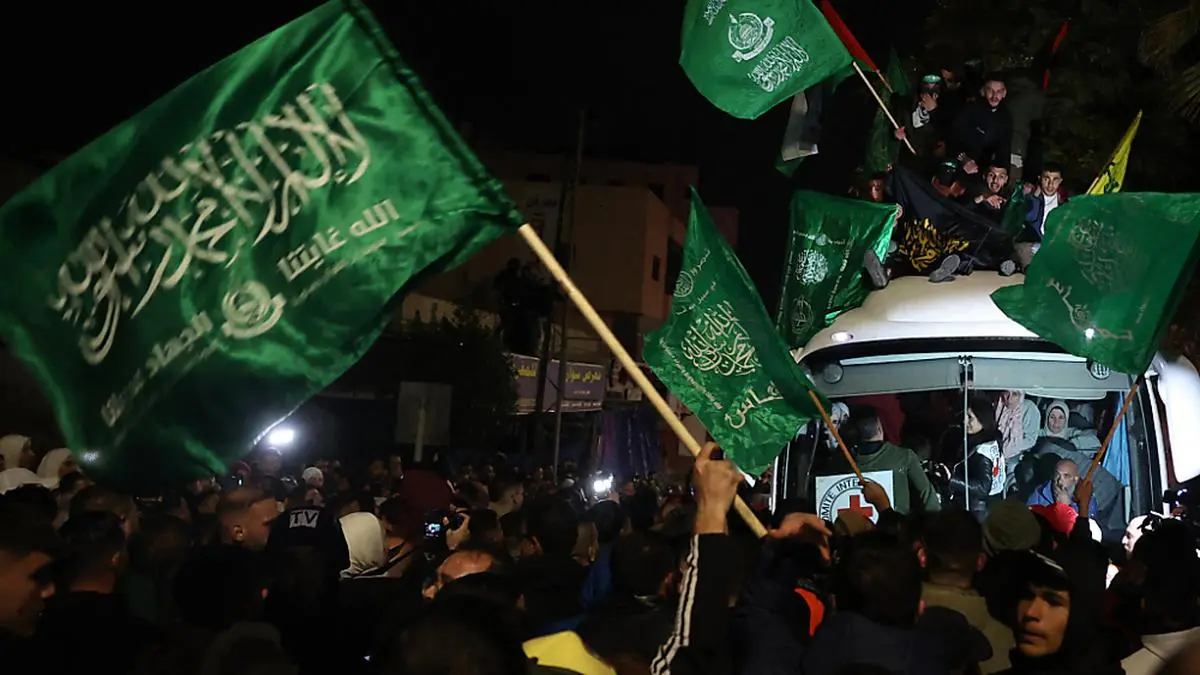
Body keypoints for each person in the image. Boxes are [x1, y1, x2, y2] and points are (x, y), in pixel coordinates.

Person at [821, 406, 941, 514]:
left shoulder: (840, 462)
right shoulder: (904, 457)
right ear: (879, 428)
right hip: (896, 529)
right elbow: (928, 497)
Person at [948, 396, 1006, 520]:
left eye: (970, 417)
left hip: (977, 509)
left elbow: (983, 487)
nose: (964, 420)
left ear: (982, 421)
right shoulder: (992, 440)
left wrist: (951, 479)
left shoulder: (983, 451)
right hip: (993, 503)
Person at [1026, 460, 1099, 519]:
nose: (1060, 481)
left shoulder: (1087, 499)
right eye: (1057, 475)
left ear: (1075, 479)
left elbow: (1085, 529)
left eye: (1066, 476)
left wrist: (1066, 507)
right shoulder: (1041, 492)